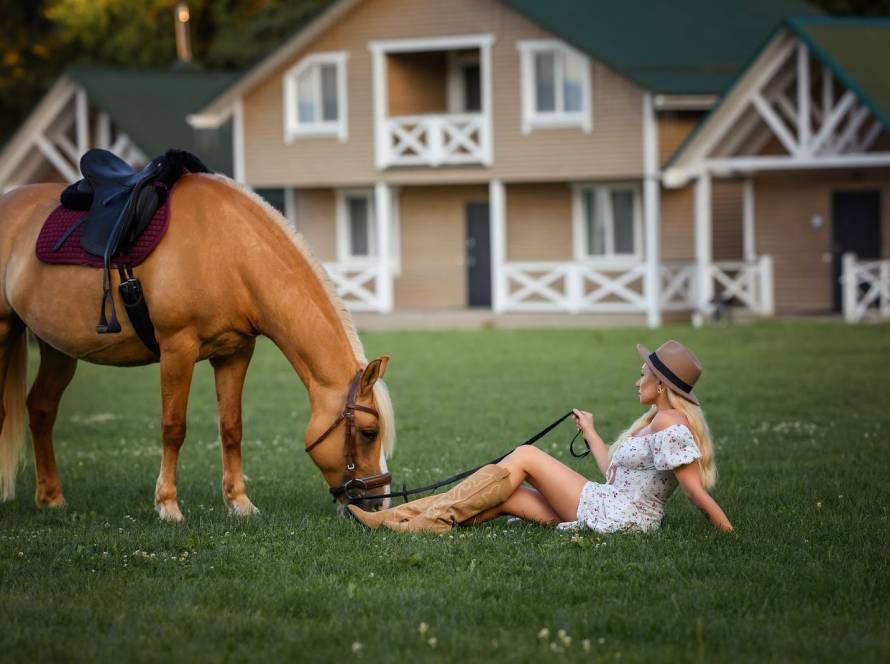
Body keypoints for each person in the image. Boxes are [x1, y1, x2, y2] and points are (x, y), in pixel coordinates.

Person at [348, 340, 733, 534]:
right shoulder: (656, 420)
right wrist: (592, 432)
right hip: (612, 503)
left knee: (526, 456)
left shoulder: (671, 426)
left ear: (662, 384)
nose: (638, 381)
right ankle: (393, 520)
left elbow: (695, 491)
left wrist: (728, 534)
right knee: (507, 497)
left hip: (623, 518)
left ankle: (411, 521)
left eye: (644, 376)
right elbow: (614, 474)